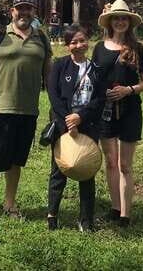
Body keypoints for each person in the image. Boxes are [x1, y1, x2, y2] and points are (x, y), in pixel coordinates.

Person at [0, 0, 52, 224]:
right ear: (12, 11)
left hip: (28, 109)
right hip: (1, 108)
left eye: (28, 8)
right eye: (20, 8)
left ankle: (9, 204)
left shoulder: (41, 36)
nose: (24, 12)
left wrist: (55, 104)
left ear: (34, 11)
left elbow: (48, 72)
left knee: (16, 160)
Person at [93, 0, 143, 227]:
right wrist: (103, 94)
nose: (120, 22)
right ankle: (115, 208)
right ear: (110, 22)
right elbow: (94, 78)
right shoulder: (99, 48)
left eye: (123, 18)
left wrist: (128, 90)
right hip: (106, 110)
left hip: (130, 109)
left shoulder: (137, 49)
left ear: (129, 22)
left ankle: (126, 215)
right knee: (111, 162)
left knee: (125, 164)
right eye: (116, 18)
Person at [46, 24, 106, 232]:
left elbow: (99, 99)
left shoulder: (96, 69)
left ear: (88, 42)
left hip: (88, 125)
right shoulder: (60, 65)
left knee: (87, 170)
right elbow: (54, 95)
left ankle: (86, 219)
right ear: (67, 45)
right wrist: (68, 121)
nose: (79, 45)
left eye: (82, 41)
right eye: (74, 42)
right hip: (63, 124)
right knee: (59, 169)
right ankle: (52, 215)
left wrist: (80, 117)